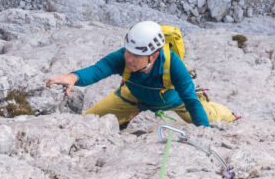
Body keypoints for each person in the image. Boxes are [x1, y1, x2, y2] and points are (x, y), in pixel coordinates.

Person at [46, 21, 235, 128]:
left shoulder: (173, 65)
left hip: (175, 101)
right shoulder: (124, 56)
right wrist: (73, 77)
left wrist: (203, 132)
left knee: (210, 115)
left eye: (137, 55)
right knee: (88, 122)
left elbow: (191, 100)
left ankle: (231, 116)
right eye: (128, 51)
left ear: (153, 55)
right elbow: (99, 69)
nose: (129, 58)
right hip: (132, 98)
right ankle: (125, 118)